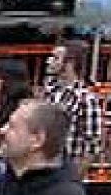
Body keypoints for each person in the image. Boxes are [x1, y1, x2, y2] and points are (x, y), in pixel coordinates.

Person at [42, 39, 104, 172]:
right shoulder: (49, 90)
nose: (49, 61)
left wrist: (75, 178)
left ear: (70, 64)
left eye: (55, 58)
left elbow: (92, 145)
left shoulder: (86, 99)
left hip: (66, 169)